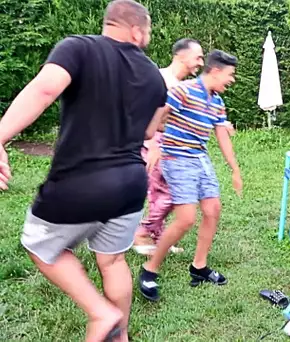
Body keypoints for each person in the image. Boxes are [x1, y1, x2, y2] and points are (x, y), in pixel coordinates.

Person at [0, 1, 169, 340]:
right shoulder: (154, 75)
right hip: (131, 187)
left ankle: (101, 313)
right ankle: (120, 335)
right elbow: (151, 131)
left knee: (39, 245)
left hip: (80, 183)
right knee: (113, 262)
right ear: (136, 30)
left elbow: (45, 89)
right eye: (148, 31)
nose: (147, 38)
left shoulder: (77, 48)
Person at [138, 49, 243, 302]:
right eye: (230, 75)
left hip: (200, 158)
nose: (232, 80)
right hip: (177, 158)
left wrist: (235, 169)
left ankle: (199, 267)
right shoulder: (182, 91)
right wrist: (153, 144)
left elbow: (221, 136)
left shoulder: (216, 101)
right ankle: (149, 270)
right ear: (215, 71)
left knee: (213, 209)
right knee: (185, 219)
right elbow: (159, 114)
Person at [132, 38, 205, 256]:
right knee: (168, 193)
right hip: (155, 145)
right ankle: (142, 233)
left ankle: (158, 235)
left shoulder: (182, 85)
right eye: (198, 57)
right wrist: (154, 145)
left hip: (173, 147)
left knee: (167, 192)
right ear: (181, 56)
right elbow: (146, 113)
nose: (201, 63)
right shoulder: (161, 79)